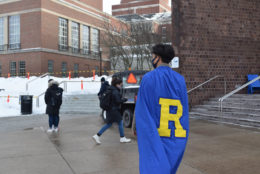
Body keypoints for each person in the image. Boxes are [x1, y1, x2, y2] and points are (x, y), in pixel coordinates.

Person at [135, 44, 189, 174]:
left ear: (158, 58)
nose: (152, 59)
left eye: (153, 57)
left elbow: (142, 109)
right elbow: (184, 109)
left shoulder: (148, 78)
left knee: (153, 168)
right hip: (174, 135)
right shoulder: (180, 79)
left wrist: (135, 126)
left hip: (155, 133)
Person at [93, 77, 131, 144]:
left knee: (109, 124)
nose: (121, 86)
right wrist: (124, 99)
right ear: (117, 84)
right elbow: (117, 101)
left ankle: (97, 135)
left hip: (109, 110)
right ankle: (122, 138)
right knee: (120, 122)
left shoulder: (111, 89)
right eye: (120, 85)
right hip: (113, 110)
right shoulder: (115, 91)